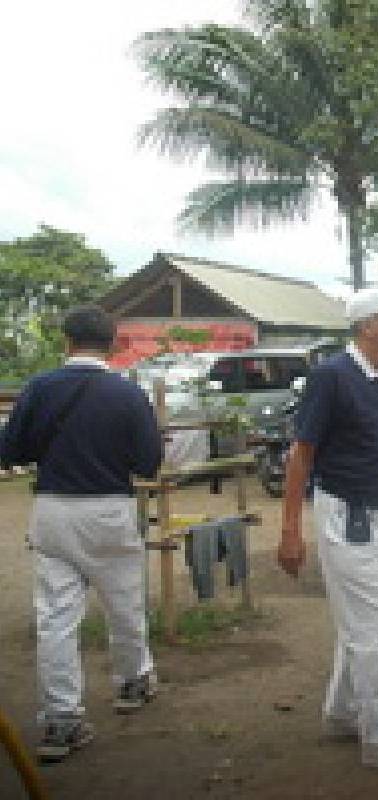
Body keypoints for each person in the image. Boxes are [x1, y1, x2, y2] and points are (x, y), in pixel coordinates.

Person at [277, 287, 378, 773]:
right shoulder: (332, 378)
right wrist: (289, 530)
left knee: (367, 624)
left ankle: (343, 712)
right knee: (376, 629)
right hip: (351, 516)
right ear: (369, 325)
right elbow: (302, 453)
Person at [0, 305, 163, 763]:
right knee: (125, 603)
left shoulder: (39, 388)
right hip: (110, 509)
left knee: (55, 617)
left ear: (66, 343)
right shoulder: (128, 395)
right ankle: (133, 683)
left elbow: (10, 449)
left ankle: (61, 721)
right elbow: (147, 462)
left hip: (53, 511)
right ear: (112, 345)